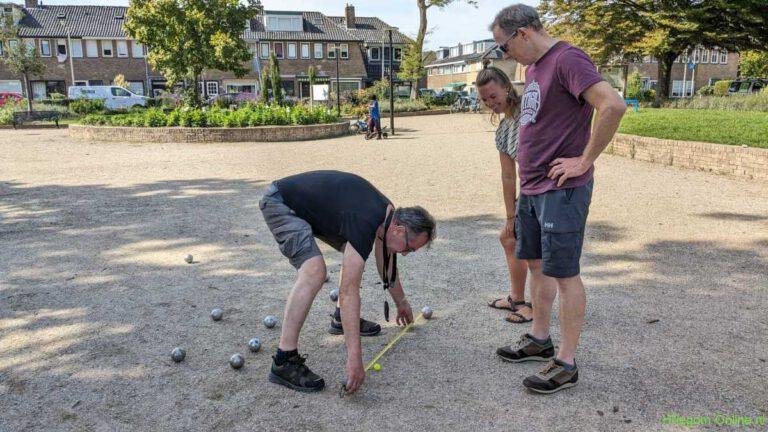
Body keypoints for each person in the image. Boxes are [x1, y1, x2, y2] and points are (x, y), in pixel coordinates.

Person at [489, 4, 627, 394]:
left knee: (565, 273)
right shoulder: (533, 68)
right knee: (536, 264)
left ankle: (565, 363)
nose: (504, 55)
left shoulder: (567, 58)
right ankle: (539, 338)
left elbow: (612, 104)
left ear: (523, 34)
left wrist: (584, 160)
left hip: (560, 191)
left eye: (504, 46)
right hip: (533, 188)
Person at [259, 170, 436, 394]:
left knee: (352, 257)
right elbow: (348, 291)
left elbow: (386, 264)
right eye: (410, 248)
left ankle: (340, 319)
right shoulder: (367, 220)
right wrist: (355, 359)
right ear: (399, 230)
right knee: (314, 272)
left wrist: (402, 302)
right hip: (280, 203)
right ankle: (284, 359)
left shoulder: (388, 216)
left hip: (309, 208)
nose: (407, 254)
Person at [477, 66, 532, 324]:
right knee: (508, 237)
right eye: (485, 99)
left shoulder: (528, 116)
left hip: (543, 190)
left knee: (529, 249)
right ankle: (516, 298)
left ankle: (525, 305)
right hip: (528, 192)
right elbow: (508, 176)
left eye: (493, 95)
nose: (490, 103)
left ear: (507, 87)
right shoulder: (503, 129)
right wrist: (511, 215)